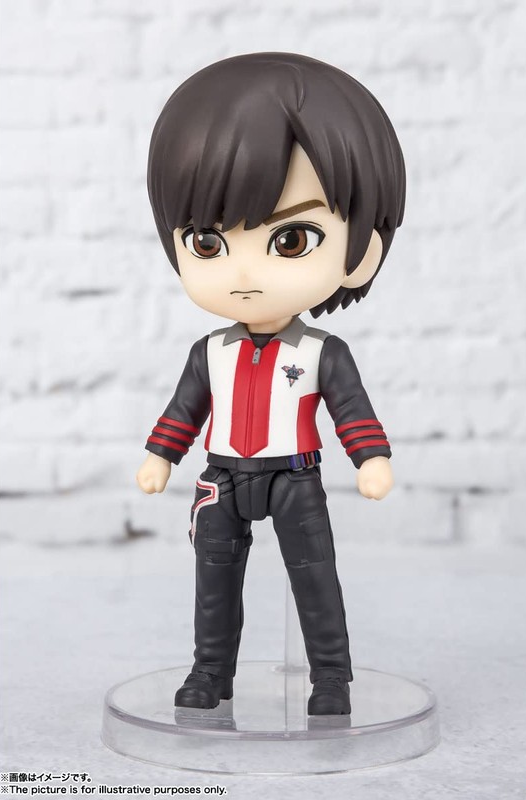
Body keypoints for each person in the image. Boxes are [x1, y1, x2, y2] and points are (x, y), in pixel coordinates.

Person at [136, 53, 406, 715]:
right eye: (207, 242)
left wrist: (370, 458)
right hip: (223, 479)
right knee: (213, 584)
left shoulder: (321, 351)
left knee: (315, 581)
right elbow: (185, 409)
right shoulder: (211, 351)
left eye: (291, 240)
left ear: (363, 251)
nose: (244, 274)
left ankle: (331, 679)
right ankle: (210, 673)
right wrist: (160, 455)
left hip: (294, 478)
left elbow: (351, 409)